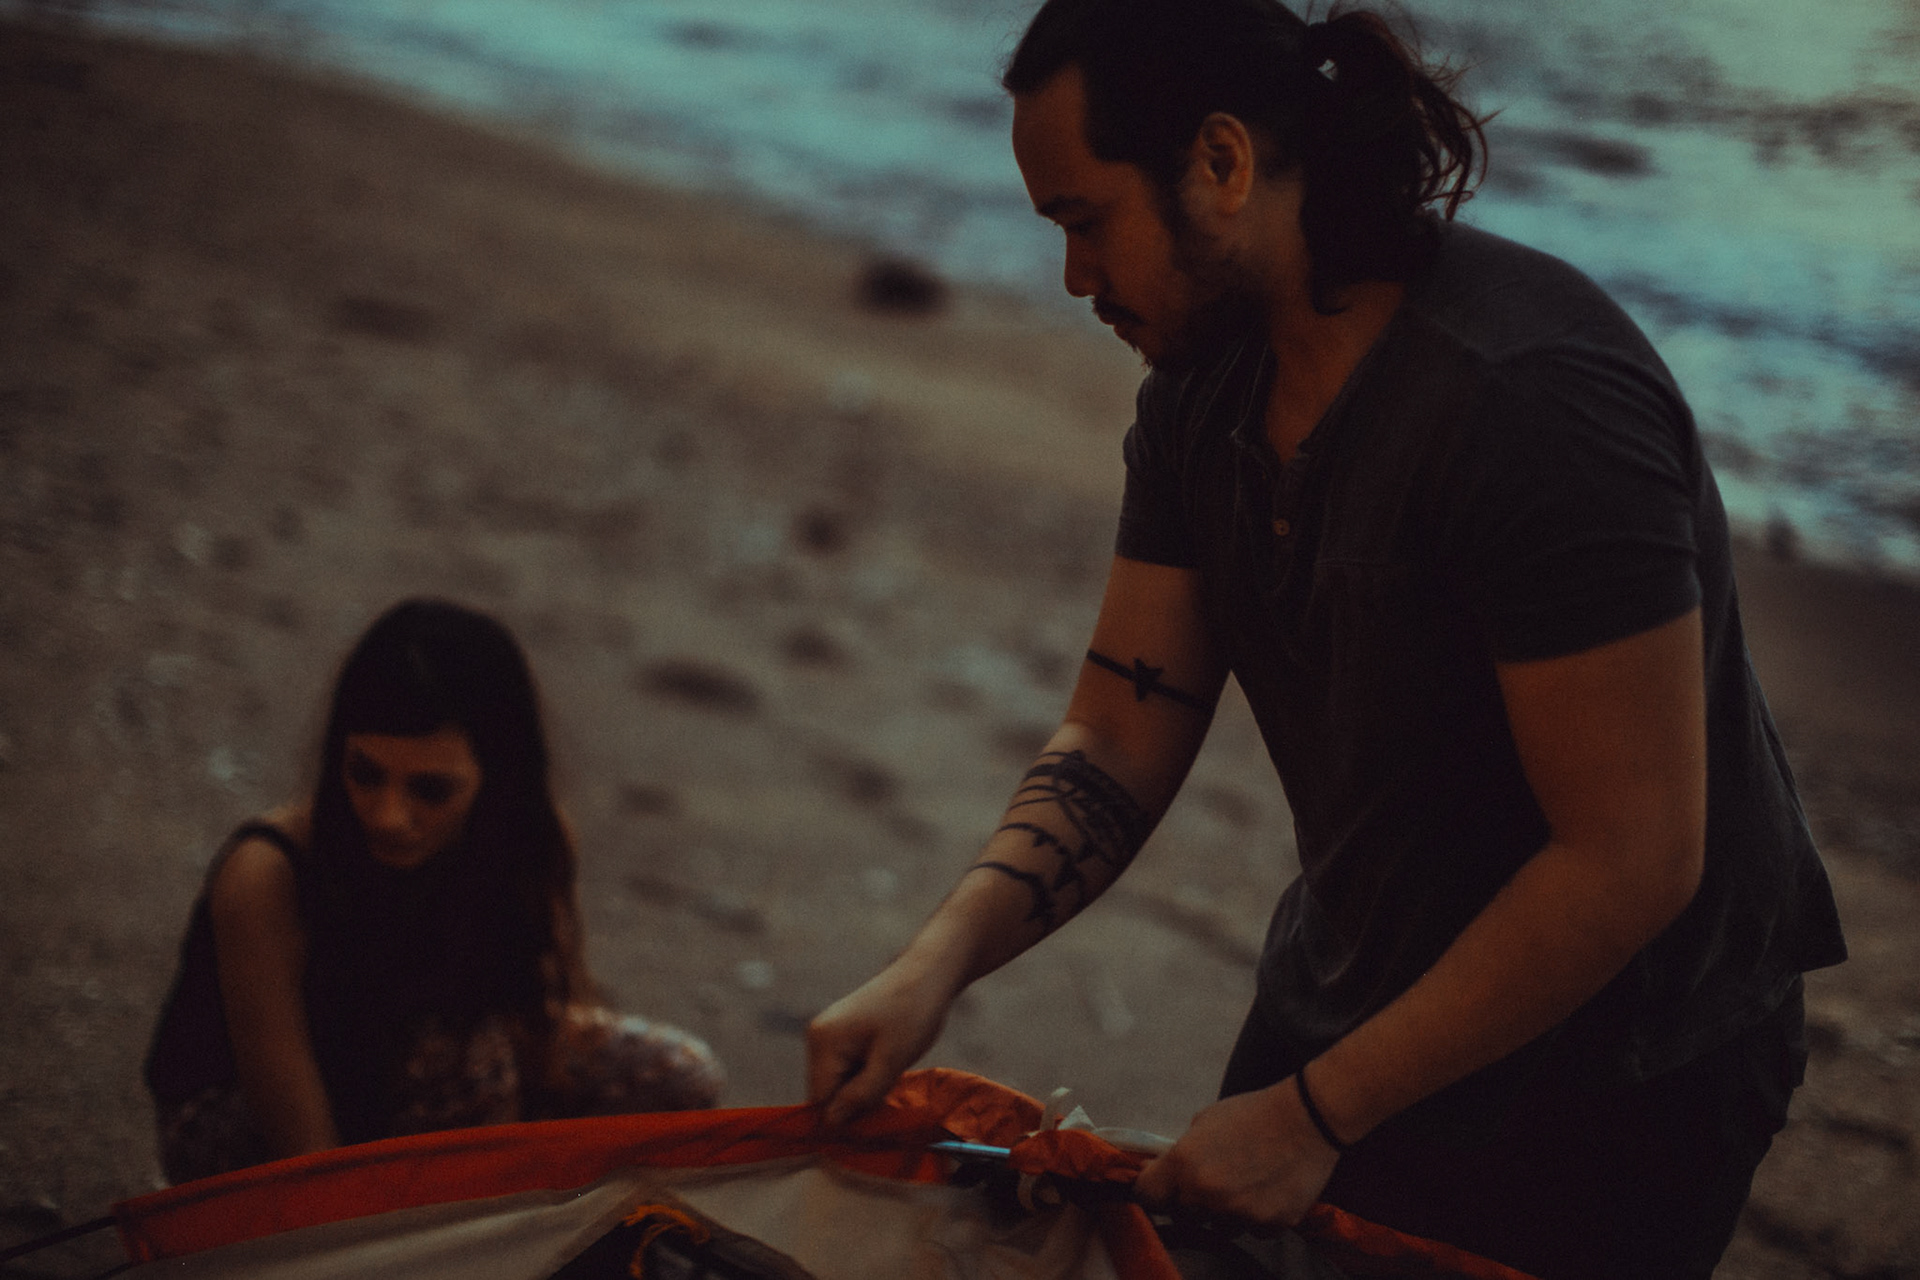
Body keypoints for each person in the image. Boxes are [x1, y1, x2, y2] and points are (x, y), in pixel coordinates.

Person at [804, 1, 1847, 1275]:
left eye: (1085, 222)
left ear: (1223, 163)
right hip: (1353, 983)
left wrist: (1314, 1114)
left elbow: (1631, 857)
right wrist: (935, 964)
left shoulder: (1532, 403)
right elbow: (1122, 726)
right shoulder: (1201, 396)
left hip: (1621, 1068)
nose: (1074, 279)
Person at [146, 599, 722, 1184]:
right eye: (365, 774)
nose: (389, 817)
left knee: (678, 1074)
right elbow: (301, 1143)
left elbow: (540, 1035)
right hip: (256, 1135)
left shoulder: (524, 843)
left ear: (494, 781)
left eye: (431, 790)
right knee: (464, 1059)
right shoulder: (266, 875)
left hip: (436, 1099)